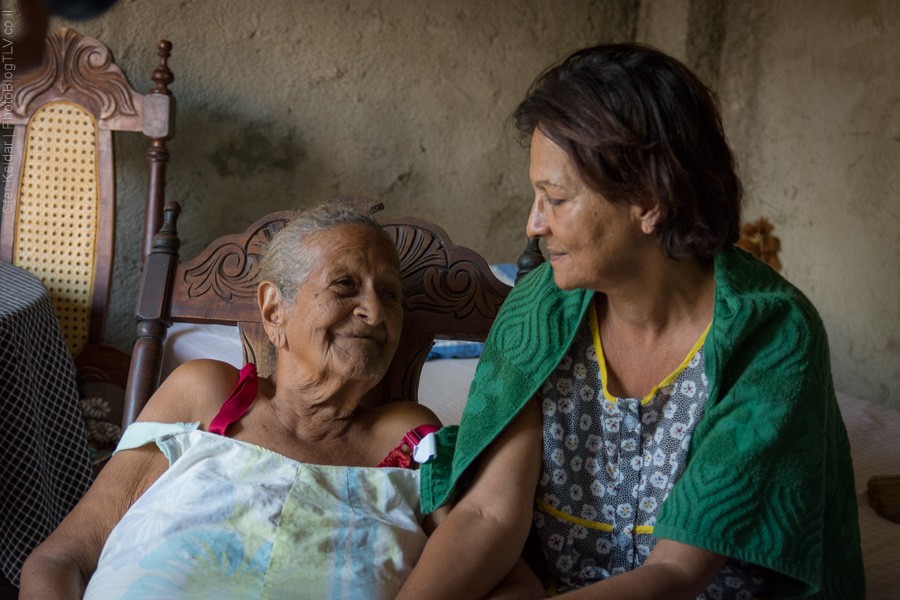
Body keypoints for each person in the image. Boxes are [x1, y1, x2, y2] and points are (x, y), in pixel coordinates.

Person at [399, 43, 865, 599]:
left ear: (650, 201)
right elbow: (489, 516)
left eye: (556, 198)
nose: (534, 223)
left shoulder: (770, 335)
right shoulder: (541, 309)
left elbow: (675, 574)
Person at [20, 199, 444, 598]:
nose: (374, 310)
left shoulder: (408, 439)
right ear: (275, 311)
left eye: (390, 294)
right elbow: (59, 560)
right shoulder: (204, 396)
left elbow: (502, 573)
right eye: (345, 285)